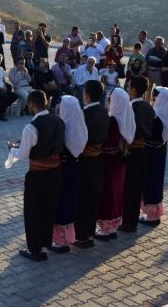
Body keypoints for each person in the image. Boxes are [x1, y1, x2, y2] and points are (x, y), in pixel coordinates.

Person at [6, 90, 65, 261]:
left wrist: (12, 149)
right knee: (49, 210)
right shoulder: (58, 120)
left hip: (38, 175)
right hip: (56, 171)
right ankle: (45, 244)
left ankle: (35, 249)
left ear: (31, 105)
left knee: (33, 213)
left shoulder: (31, 126)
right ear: (46, 102)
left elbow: (23, 154)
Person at [73, 80, 110, 248]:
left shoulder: (83, 114)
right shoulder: (104, 111)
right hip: (98, 160)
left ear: (86, 94)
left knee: (83, 199)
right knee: (94, 198)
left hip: (85, 161)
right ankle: (89, 232)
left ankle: (81, 236)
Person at [95, 87, 135, 240]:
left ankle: (106, 229)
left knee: (108, 194)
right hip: (119, 160)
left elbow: (104, 141)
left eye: (111, 100)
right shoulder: (126, 115)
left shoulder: (112, 120)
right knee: (117, 192)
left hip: (109, 162)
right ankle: (112, 227)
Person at [51, 95, 88, 252]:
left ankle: (60, 242)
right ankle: (67, 237)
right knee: (70, 201)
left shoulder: (62, 126)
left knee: (61, 202)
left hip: (64, 170)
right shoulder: (80, 124)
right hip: (75, 168)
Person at [120, 77, 155, 232]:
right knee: (137, 187)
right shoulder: (148, 106)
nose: (127, 88)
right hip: (143, 151)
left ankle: (127, 222)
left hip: (131, 152)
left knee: (129, 188)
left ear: (133, 89)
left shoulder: (131, 107)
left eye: (128, 86)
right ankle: (132, 221)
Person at [140, 87, 168, 227]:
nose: (153, 99)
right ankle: (153, 213)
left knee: (150, 182)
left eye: (155, 97)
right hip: (160, 153)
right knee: (156, 181)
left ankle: (152, 216)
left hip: (152, 154)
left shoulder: (157, 116)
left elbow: (149, 135)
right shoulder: (166, 113)